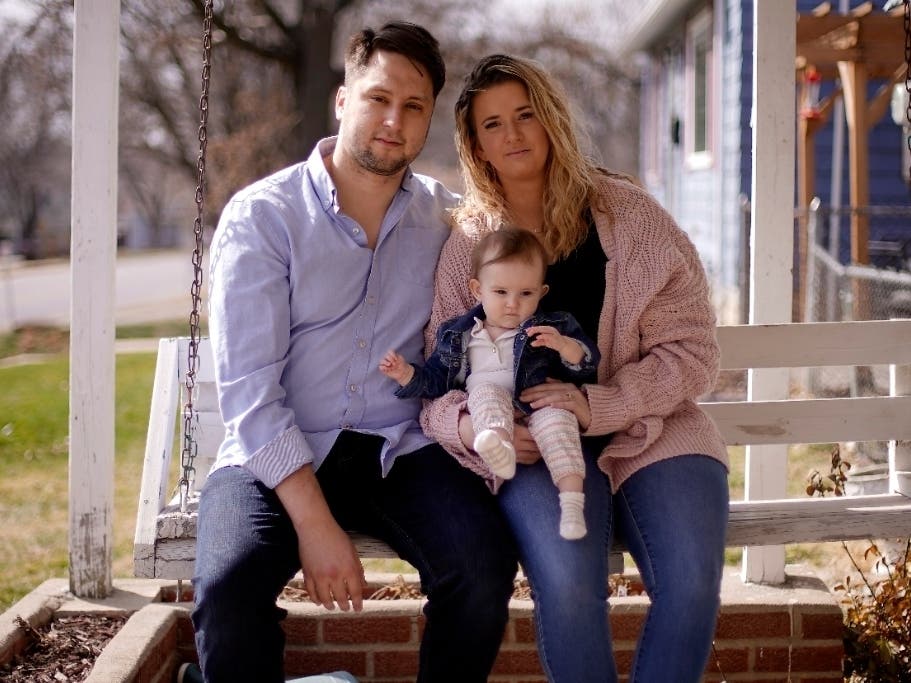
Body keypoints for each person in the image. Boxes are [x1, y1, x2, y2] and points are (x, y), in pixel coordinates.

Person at [194, 24, 519, 683]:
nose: (393, 120)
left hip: (395, 449)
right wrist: (314, 523)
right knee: (229, 593)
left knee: (482, 567)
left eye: (414, 106)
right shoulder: (263, 218)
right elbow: (250, 393)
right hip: (274, 454)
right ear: (342, 101)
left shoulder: (449, 221)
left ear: (430, 118)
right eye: (377, 98)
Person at [420, 54, 730, 683]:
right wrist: (491, 431)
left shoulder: (632, 217)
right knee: (565, 583)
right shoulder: (468, 246)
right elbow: (438, 385)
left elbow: (692, 352)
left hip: (654, 429)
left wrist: (602, 405)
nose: (512, 135)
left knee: (693, 582)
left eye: (525, 115)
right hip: (539, 448)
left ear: (552, 118)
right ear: (474, 144)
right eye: (492, 124)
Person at [379, 228, 600, 540]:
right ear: (477, 289)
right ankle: (500, 449)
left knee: (559, 423)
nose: (513, 304)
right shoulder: (460, 335)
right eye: (500, 293)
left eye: (526, 294)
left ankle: (572, 505)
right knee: (483, 392)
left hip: (536, 404)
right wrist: (406, 375)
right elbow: (437, 380)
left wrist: (565, 346)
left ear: (542, 291)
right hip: (491, 409)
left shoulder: (551, 327)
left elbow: (587, 364)